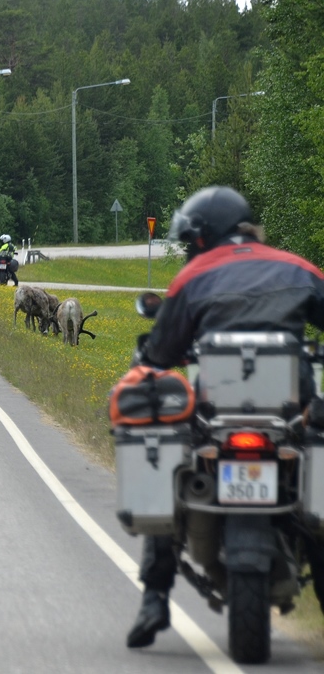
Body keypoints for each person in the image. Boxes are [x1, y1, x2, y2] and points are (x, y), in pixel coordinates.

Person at [127, 185, 324, 649]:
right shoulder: (297, 267)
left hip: (217, 412)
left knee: (166, 452)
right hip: (290, 412)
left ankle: (155, 596)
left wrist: (154, 358)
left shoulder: (194, 275)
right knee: (315, 452)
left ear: (205, 236)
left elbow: (162, 350)